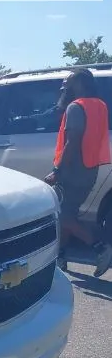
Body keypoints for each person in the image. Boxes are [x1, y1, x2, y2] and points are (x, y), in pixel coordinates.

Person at [46, 68, 112, 278]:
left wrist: (57, 170)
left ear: (80, 84)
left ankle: (100, 247)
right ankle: (61, 256)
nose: (65, 85)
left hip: (73, 170)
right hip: (90, 168)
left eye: (69, 82)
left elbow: (72, 141)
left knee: (63, 215)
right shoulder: (99, 105)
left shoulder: (76, 107)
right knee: (69, 212)